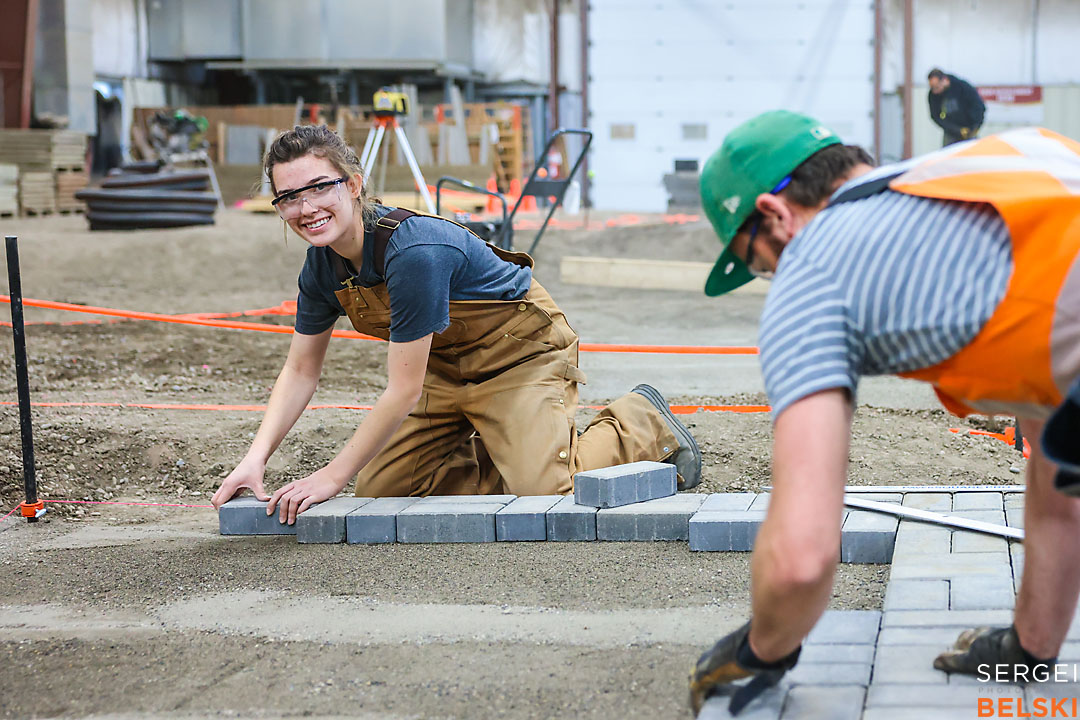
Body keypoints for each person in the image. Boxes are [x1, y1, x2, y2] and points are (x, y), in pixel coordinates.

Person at [687, 110, 1080, 715]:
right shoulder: (1009, 160)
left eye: (761, 265)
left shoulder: (810, 276)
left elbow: (801, 557)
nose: (773, 279)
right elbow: (1060, 483)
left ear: (774, 214)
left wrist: (761, 648)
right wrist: (1026, 654)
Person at [210, 124, 701, 523]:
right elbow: (300, 372)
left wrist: (330, 477)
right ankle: (512, 446)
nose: (306, 208)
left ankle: (638, 422)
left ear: (353, 185)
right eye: (289, 197)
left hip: (519, 358)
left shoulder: (415, 252)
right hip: (442, 371)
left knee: (546, 494)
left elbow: (401, 392)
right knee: (384, 491)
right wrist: (255, 459)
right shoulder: (322, 267)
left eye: (320, 187)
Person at [928, 68, 986, 146]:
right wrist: (955, 130)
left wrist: (975, 127)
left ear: (945, 80)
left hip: (970, 130)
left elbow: (978, 106)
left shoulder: (962, 87)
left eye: (937, 87)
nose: (935, 91)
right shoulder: (933, 95)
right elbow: (936, 116)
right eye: (932, 88)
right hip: (950, 133)